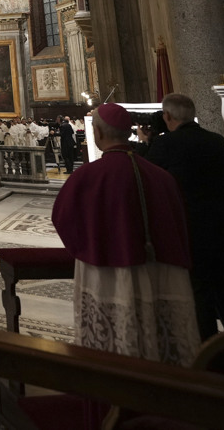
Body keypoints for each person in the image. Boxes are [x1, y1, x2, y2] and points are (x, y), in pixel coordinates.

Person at [51, 101, 199, 366]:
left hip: (107, 273)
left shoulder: (87, 176)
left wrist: (88, 247)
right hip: (161, 271)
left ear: (97, 133)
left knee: (112, 340)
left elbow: (63, 220)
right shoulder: (161, 176)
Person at [146, 92, 224, 340]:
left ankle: (207, 350)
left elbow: (150, 177)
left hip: (193, 231)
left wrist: (148, 142)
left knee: (200, 296)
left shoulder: (166, 144)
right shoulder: (217, 141)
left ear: (167, 116)